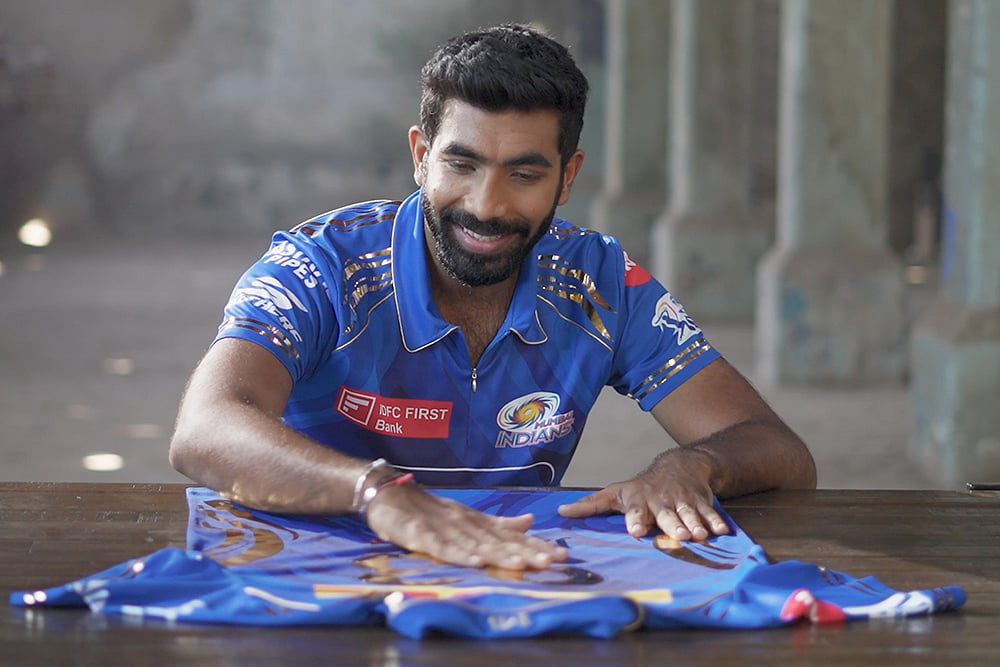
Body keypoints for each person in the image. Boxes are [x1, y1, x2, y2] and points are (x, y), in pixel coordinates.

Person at [169, 23, 816, 572]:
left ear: (568, 177)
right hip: (319, 573)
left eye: (525, 173)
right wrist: (376, 493)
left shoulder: (601, 281)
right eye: (463, 164)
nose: (487, 205)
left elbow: (778, 449)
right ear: (421, 156)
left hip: (511, 575)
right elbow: (205, 428)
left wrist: (693, 464)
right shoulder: (321, 266)